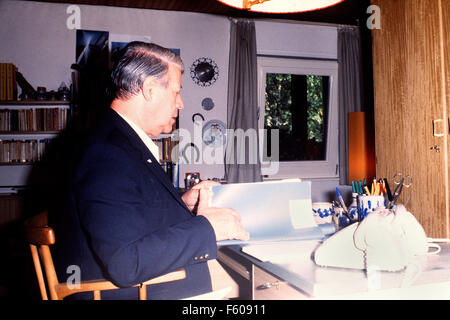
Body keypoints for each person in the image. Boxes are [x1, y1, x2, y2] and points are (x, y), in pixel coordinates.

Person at [53, 41, 249, 300]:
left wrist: (183, 202)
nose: (180, 104)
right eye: (177, 92)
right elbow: (125, 264)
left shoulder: (116, 139)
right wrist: (209, 228)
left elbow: (125, 211)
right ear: (149, 89)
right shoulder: (106, 152)